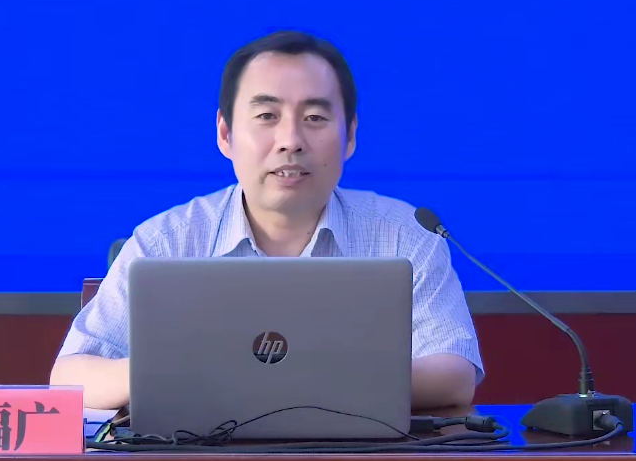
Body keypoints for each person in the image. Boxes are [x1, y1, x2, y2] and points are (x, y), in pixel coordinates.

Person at [50, 30, 484, 410]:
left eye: (314, 118)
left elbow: (454, 373)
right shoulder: (165, 242)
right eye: (266, 116)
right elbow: (70, 378)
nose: (290, 141)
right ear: (225, 134)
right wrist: (176, 374)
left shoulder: (406, 234)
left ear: (350, 135)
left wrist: (289, 380)